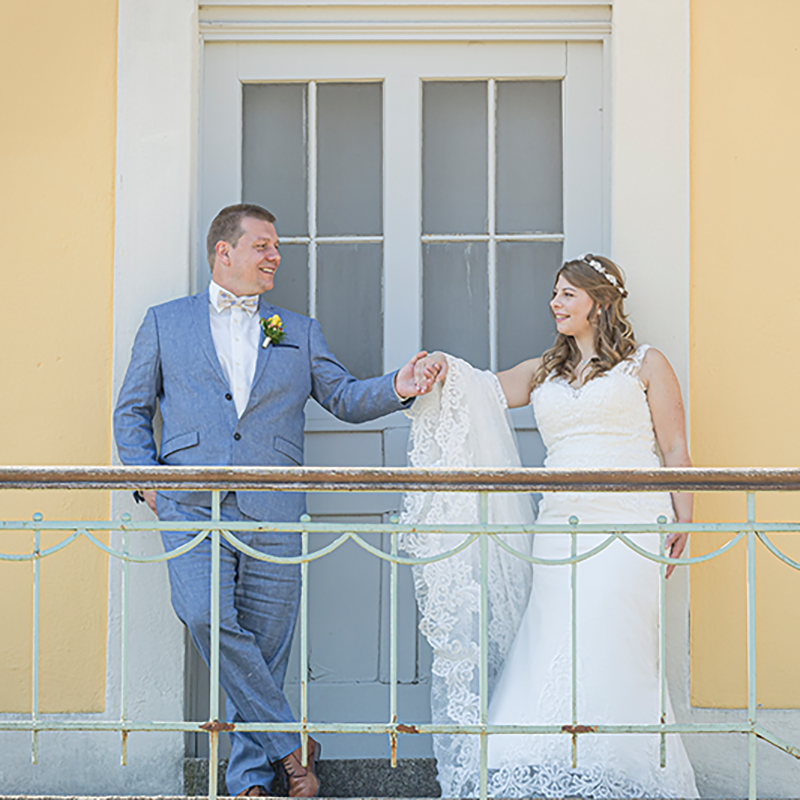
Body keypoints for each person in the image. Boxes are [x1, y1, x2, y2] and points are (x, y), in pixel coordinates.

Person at [114, 203, 435, 798]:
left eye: (276, 247)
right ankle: (291, 743)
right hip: (190, 505)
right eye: (262, 245)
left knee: (264, 648)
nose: (274, 257)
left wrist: (399, 386)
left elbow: (341, 396)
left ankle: (246, 784)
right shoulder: (164, 322)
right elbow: (131, 411)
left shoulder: (295, 330)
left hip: (275, 508)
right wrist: (145, 478)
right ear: (223, 251)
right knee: (205, 616)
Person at [402, 254, 699, 798]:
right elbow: (482, 392)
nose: (555, 303)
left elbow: (675, 444)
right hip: (561, 522)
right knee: (554, 634)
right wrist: (441, 365)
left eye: (567, 294)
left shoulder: (647, 363)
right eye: (555, 293)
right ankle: (541, 758)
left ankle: (626, 768)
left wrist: (687, 516)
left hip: (630, 521)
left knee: (614, 635)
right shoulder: (546, 369)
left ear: (600, 301)